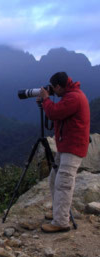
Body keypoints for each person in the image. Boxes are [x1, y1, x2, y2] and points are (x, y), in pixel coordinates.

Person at [36, 72, 90, 233]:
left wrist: (46, 99)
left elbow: (54, 113)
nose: (52, 91)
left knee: (64, 183)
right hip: (65, 146)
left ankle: (60, 222)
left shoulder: (74, 97)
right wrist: (46, 102)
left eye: (53, 89)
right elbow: (57, 112)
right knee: (54, 179)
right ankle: (57, 212)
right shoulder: (71, 95)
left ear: (59, 86)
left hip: (73, 147)